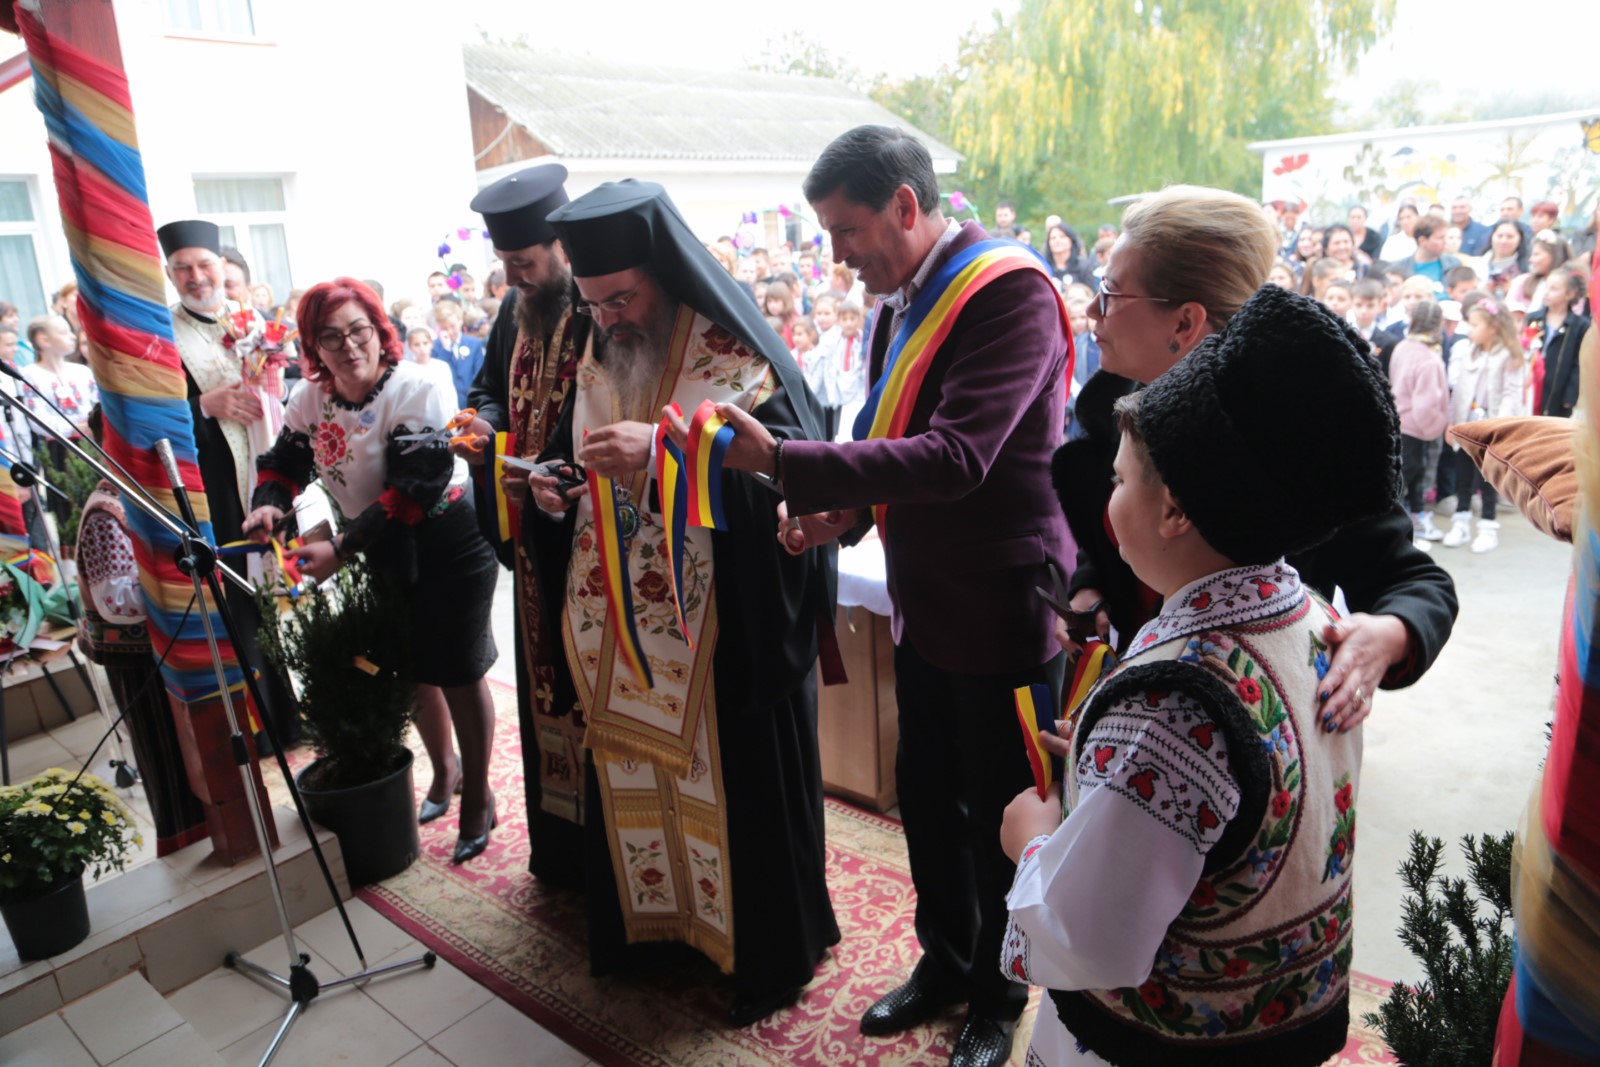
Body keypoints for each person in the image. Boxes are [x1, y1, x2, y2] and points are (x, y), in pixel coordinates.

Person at [693, 126, 1074, 1066]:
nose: (837, 254)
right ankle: (945, 960)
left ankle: (999, 992)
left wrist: (785, 461)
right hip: (925, 600)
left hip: (1002, 606)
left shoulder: (1008, 292)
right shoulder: (896, 304)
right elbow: (888, 441)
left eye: (847, 229)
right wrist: (844, 515)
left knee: (999, 817)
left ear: (905, 205)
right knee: (928, 797)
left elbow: (956, 457)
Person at [1000, 284, 1401, 1066]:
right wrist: (1114, 764)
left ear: (1175, 509)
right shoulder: (1313, 617)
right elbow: (1248, 801)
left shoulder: (1171, 703)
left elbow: (1089, 936)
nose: (1108, 500)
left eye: (1119, 480)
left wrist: (1035, 839)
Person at [533, 178, 839, 1027]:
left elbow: (793, 475)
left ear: (663, 276)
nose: (609, 319)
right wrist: (557, 487)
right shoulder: (598, 350)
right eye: (594, 303)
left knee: (741, 794)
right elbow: (578, 454)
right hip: (624, 635)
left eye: (622, 298)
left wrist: (666, 451)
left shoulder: (739, 357)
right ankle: (656, 934)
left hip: (727, 631)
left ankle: (769, 958)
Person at [1052, 184, 1456, 743]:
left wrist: (1390, 633)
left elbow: (1414, 581)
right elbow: (1118, 525)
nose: (1092, 310)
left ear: (1184, 323)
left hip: (1235, 732)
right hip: (1140, 703)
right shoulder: (1118, 400)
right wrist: (1093, 585)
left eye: (1111, 293)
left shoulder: (1294, 432)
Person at [244, 278, 500, 863]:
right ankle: (446, 770)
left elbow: (413, 489)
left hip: (448, 541)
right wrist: (269, 504)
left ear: (381, 331)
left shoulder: (416, 387)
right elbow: (283, 463)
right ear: (313, 347)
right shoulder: (309, 398)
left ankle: (479, 794)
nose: (348, 346)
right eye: (330, 337)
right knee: (411, 667)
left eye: (358, 330)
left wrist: (340, 548)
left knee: (458, 670)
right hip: (381, 543)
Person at [451, 163, 597, 888]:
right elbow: (488, 387)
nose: (514, 277)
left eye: (525, 262)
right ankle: (560, 855)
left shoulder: (595, 307)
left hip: (584, 534)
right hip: (530, 537)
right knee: (544, 692)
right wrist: (482, 424)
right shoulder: (515, 309)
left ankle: (598, 860)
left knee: (585, 687)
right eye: (506, 264)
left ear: (561, 249)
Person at [157, 219, 299, 749]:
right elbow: (149, 420)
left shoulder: (250, 320)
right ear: (170, 274)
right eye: (183, 269)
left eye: (204, 265)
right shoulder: (163, 334)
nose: (196, 277)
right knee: (240, 602)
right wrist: (201, 405)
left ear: (222, 267)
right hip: (214, 487)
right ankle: (266, 727)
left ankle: (297, 712)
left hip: (267, 474)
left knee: (279, 593)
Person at [76, 405, 209, 857]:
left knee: (185, 751)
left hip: (159, 649)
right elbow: (117, 603)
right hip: (136, 660)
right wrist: (175, 581)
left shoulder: (134, 498)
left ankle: (206, 835)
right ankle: (186, 848)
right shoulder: (106, 512)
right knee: (165, 757)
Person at [1442, 296, 1526, 553]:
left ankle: (1488, 526)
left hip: (1492, 428)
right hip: (1467, 425)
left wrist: (1499, 426)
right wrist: (1452, 421)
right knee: (1464, 474)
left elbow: (1512, 394)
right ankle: (1461, 521)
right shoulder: (1468, 351)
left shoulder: (1508, 356)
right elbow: (1459, 390)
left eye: (1475, 325)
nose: (1470, 330)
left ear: (1493, 327)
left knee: (1488, 478)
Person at [1387, 299, 1451, 547]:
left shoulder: (1403, 346)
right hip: (1417, 427)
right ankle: (1401, 532)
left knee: (1410, 476)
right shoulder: (1428, 358)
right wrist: (1435, 425)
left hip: (1401, 421)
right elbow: (1425, 404)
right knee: (1410, 476)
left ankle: (1416, 521)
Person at [1527, 269, 1590, 419]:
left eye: (1554, 289)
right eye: (1546, 287)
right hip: (1532, 386)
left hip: (1558, 389)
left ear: (1569, 294)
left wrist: (1571, 395)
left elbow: (1579, 363)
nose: (1547, 293)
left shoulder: (1580, 326)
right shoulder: (1533, 319)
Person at [430, 299, 485, 407]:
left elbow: (479, 374)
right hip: (447, 403)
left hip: (471, 402)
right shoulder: (435, 346)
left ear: (460, 320)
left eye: (453, 326)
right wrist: (446, 350)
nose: (449, 331)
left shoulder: (474, 344)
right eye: (444, 328)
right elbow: (436, 375)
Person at [405, 326, 457, 411]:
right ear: (410, 347)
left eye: (425, 343)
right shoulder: (408, 370)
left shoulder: (442, 367)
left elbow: (450, 394)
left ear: (431, 344)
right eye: (416, 344)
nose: (421, 348)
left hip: (442, 411)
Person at [1045, 223, 1096, 290]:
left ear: (1071, 241)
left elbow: (1091, 292)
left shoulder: (1085, 267)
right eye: (1053, 238)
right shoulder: (1044, 268)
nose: (1057, 240)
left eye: (1062, 237)